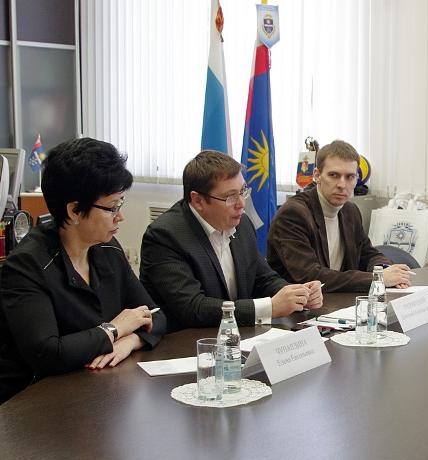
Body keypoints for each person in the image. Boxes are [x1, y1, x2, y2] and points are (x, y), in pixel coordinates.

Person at [0, 137, 165, 404]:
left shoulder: (107, 248)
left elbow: (155, 315)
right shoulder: (27, 265)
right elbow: (48, 354)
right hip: (36, 403)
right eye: (112, 207)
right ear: (75, 210)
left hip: (97, 392)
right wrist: (114, 329)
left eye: (120, 204)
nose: (120, 216)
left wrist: (130, 341)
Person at [140, 150, 322, 330]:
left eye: (243, 191)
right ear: (198, 201)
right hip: (185, 341)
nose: (241, 204)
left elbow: (263, 278)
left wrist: (297, 295)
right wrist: (270, 307)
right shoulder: (165, 236)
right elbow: (193, 308)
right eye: (230, 197)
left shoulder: (242, 224)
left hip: (237, 335)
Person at [267, 140, 411, 292]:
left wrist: (386, 269)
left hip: (340, 300)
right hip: (302, 303)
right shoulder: (293, 214)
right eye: (334, 175)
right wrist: (378, 279)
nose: (342, 184)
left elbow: (367, 254)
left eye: (350, 177)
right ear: (317, 175)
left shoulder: (350, 211)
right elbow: (310, 276)